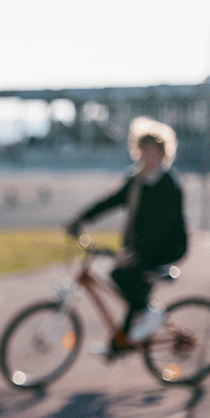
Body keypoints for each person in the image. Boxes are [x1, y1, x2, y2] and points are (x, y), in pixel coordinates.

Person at [65, 116, 188, 358]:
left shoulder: (169, 185)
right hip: (140, 246)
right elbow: (110, 201)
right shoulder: (136, 180)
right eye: (143, 152)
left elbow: (160, 229)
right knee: (135, 290)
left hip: (165, 248)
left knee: (120, 275)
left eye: (152, 152)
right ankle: (119, 345)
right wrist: (81, 219)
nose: (146, 157)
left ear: (163, 154)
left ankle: (150, 314)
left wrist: (133, 255)